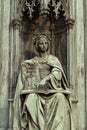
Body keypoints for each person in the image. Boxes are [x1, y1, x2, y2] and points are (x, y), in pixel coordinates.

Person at [13, 35, 75, 130]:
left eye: (45, 43)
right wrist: (25, 68)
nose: (44, 45)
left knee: (60, 97)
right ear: (37, 45)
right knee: (30, 99)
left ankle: (56, 128)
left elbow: (57, 72)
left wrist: (46, 79)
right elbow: (28, 78)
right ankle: (35, 127)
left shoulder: (53, 59)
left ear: (48, 45)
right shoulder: (32, 61)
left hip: (52, 89)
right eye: (41, 43)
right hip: (37, 91)